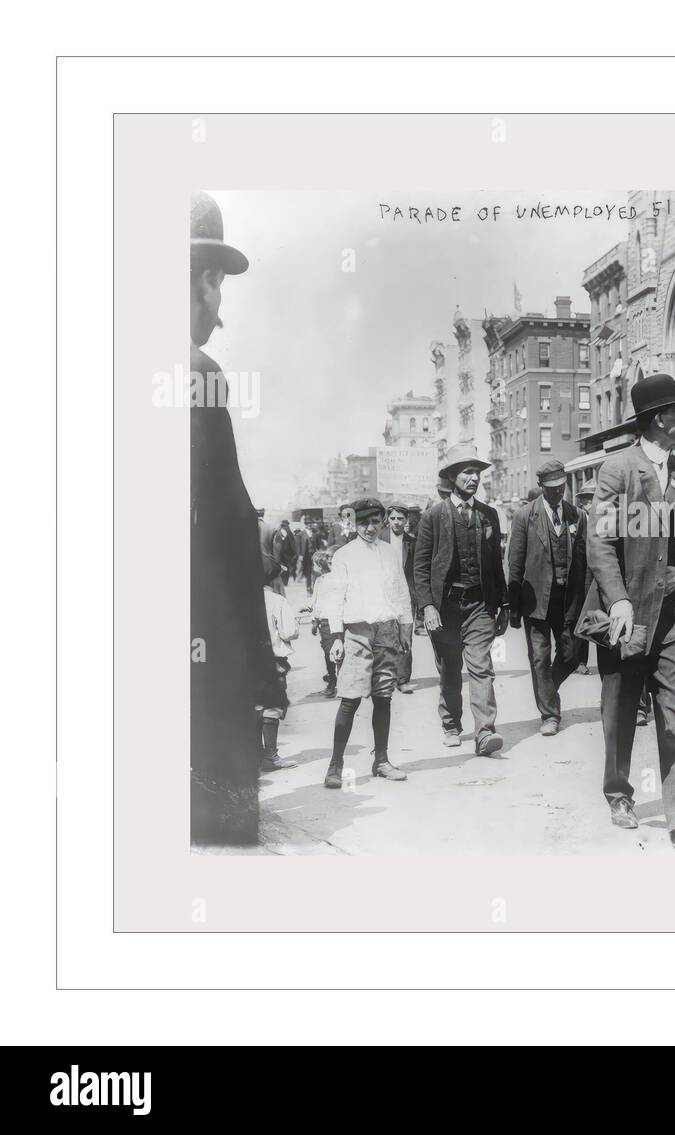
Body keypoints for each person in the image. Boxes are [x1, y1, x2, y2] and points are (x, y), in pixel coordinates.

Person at [582, 372, 675, 849]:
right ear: (660, 418)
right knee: (620, 707)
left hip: (674, 609)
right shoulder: (618, 470)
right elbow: (600, 541)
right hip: (626, 612)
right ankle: (619, 792)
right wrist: (618, 598)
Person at [190, 190, 282, 846]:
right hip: (204, 658)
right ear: (205, 279)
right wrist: (254, 662)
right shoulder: (197, 377)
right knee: (219, 837)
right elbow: (219, 535)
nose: (220, 309)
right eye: (219, 285)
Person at [413, 444, 509, 757]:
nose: (473, 478)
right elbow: (421, 565)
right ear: (452, 476)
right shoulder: (433, 516)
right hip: (445, 607)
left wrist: (503, 605)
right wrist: (427, 606)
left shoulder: (488, 515)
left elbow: (496, 565)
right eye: (467, 472)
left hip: (479, 605)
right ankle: (451, 724)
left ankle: (485, 734)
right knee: (450, 668)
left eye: (477, 472)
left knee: (482, 667)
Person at [318, 498, 413, 788]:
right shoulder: (345, 555)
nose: (370, 528)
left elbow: (400, 591)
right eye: (364, 522)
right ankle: (335, 765)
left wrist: (405, 627)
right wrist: (336, 637)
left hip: (386, 631)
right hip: (357, 633)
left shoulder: (389, 553)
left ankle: (381, 760)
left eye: (375, 522)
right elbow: (334, 597)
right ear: (355, 523)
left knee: (384, 697)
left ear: (383, 521)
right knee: (350, 699)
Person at [508, 459, 587, 735]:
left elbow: (585, 561)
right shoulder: (524, 516)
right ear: (541, 486)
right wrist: (513, 607)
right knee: (539, 658)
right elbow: (515, 563)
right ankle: (549, 715)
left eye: (561, 487)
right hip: (536, 601)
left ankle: (547, 689)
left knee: (572, 654)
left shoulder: (577, 516)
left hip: (569, 601)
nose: (557, 493)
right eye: (551, 488)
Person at [256, 555, 299, 772]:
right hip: (272, 661)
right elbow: (288, 632)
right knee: (272, 706)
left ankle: (254, 755)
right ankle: (271, 756)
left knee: (254, 705)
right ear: (274, 578)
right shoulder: (277, 601)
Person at [383, 503, 418, 694]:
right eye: (393, 518)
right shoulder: (379, 539)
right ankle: (385, 677)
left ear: (407, 520)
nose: (396, 522)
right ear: (387, 520)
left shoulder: (412, 541)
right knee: (384, 636)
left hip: (405, 595)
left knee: (405, 636)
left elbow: (417, 570)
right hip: (383, 594)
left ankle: (403, 679)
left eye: (400, 518)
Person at [573, 480, 597, 675]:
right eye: (586, 500)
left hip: (602, 573)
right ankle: (580, 660)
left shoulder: (608, 519)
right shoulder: (579, 520)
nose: (590, 504)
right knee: (583, 615)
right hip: (583, 575)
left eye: (593, 500)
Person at [310, 545, 339, 697]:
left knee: (336, 653)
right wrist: (315, 620)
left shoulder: (339, 579)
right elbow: (316, 602)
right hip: (325, 621)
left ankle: (336, 680)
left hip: (336, 620)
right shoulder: (320, 581)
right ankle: (332, 679)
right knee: (328, 652)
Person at [295, 522, 313, 592]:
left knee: (312, 572)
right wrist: (300, 555)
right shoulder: (300, 534)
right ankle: (309, 587)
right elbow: (298, 546)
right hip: (305, 556)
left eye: (310, 524)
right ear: (305, 525)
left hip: (312, 555)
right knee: (307, 572)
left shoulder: (314, 533)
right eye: (307, 524)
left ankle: (310, 587)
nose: (309, 525)